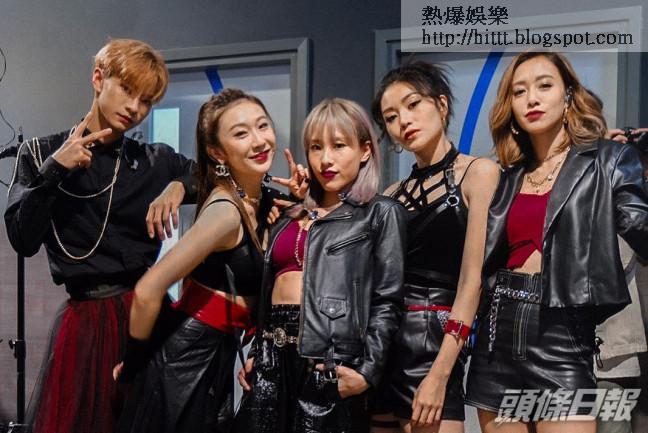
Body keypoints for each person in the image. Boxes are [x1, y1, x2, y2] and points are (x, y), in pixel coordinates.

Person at [4, 39, 195, 433]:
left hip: (145, 317)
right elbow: (23, 238)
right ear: (98, 78)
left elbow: (216, 177)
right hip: (86, 324)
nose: (134, 108)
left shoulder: (153, 161)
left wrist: (180, 186)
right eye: (127, 90)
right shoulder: (40, 153)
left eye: (146, 101)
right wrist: (55, 170)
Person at [465, 51, 648, 433]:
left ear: (568, 95)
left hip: (563, 336)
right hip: (497, 340)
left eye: (544, 85)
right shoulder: (507, 176)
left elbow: (638, 224)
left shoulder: (608, 160)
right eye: (519, 91)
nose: (531, 98)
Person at [234, 97, 407, 433]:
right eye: (315, 147)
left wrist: (367, 372)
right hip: (270, 360)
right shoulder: (287, 216)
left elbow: (388, 301)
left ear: (365, 150)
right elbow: (269, 291)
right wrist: (257, 351)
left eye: (338, 145)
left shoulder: (380, 213)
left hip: (328, 362)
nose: (325, 159)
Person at [114, 88, 282, 433]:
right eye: (241, 133)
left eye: (263, 125)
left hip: (212, 355)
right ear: (217, 152)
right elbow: (148, 290)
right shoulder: (226, 212)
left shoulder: (257, 200)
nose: (259, 140)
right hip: (185, 359)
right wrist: (132, 366)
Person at [368, 61, 499, 433]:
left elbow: (472, 283)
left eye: (413, 104)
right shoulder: (391, 195)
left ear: (441, 105)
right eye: (391, 117)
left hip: (435, 345)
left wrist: (440, 374)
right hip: (384, 346)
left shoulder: (479, 173)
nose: (404, 121)